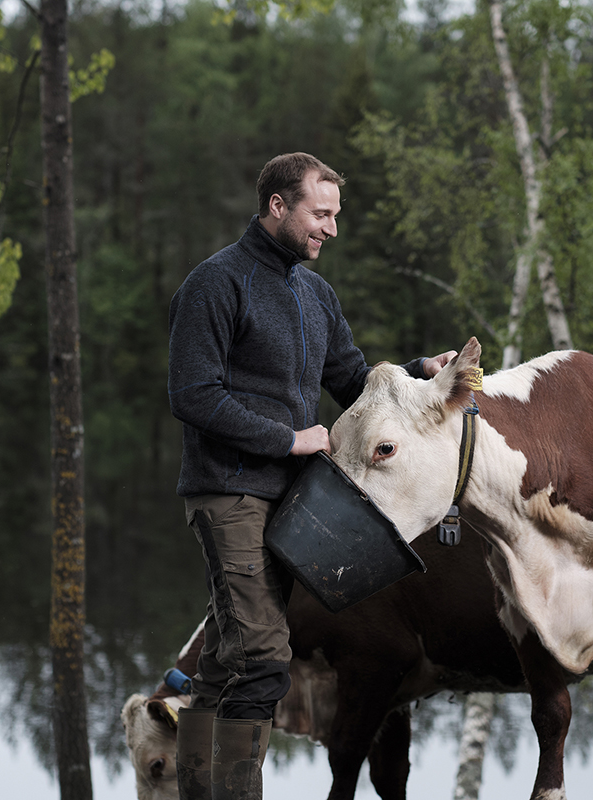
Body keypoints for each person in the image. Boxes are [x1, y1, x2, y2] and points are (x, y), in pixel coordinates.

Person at [166, 152, 455, 800]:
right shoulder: (215, 283)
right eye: (320, 214)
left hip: (296, 507)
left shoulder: (315, 295)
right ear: (278, 206)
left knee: (223, 662)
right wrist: (288, 438)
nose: (330, 228)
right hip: (228, 491)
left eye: (335, 216)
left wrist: (417, 374)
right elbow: (191, 393)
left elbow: (354, 385)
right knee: (266, 660)